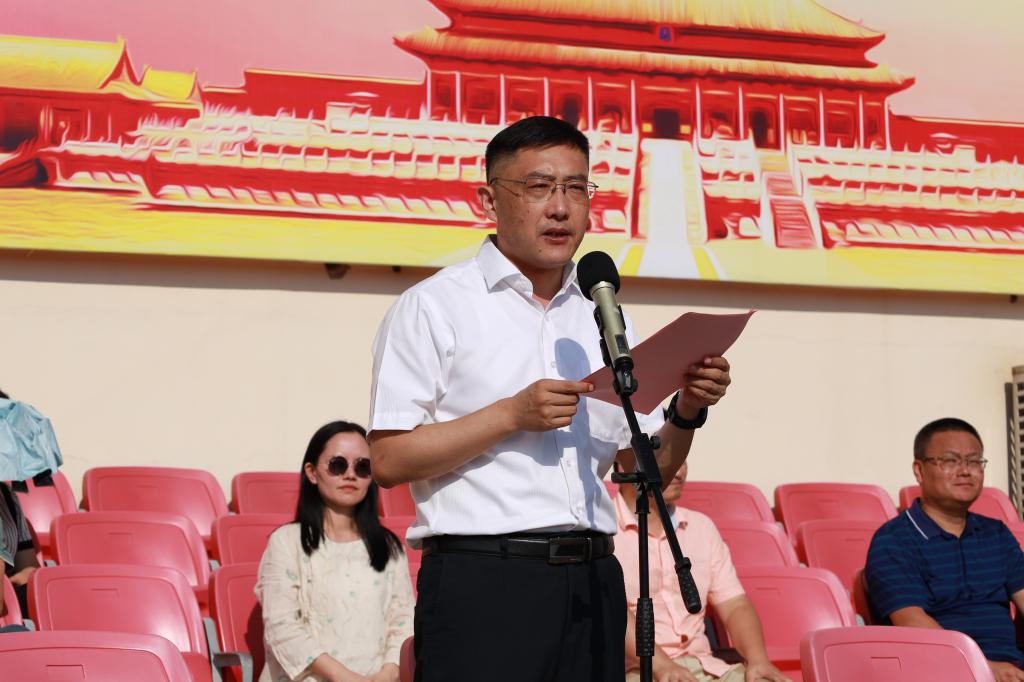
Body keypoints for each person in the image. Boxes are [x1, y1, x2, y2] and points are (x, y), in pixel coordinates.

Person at [368, 115, 733, 681]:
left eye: (576, 188)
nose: (560, 208)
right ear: (489, 200)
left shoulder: (603, 316)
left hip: (595, 583)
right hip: (487, 585)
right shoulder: (435, 306)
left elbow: (645, 471)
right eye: (538, 187)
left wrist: (687, 410)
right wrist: (510, 415)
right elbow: (388, 460)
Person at [866, 418, 1024, 682]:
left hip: (1010, 667)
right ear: (919, 470)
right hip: (937, 671)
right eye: (950, 461)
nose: (965, 471)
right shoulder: (893, 540)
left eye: (974, 461)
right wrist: (983, 668)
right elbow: (911, 621)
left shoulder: (996, 533)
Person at [257, 421, 413, 682]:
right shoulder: (286, 542)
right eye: (338, 465)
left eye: (362, 467)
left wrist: (387, 674)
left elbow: (403, 620)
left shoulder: (389, 546)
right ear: (312, 472)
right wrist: (347, 678)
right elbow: (282, 627)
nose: (350, 475)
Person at [616, 463, 788, 682]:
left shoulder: (702, 527)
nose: (679, 471)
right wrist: (662, 665)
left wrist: (758, 660)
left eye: (683, 459)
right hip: (638, 671)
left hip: (708, 667)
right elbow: (612, 613)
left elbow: (735, 605)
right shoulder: (602, 533)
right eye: (665, 459)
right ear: (623, 464)